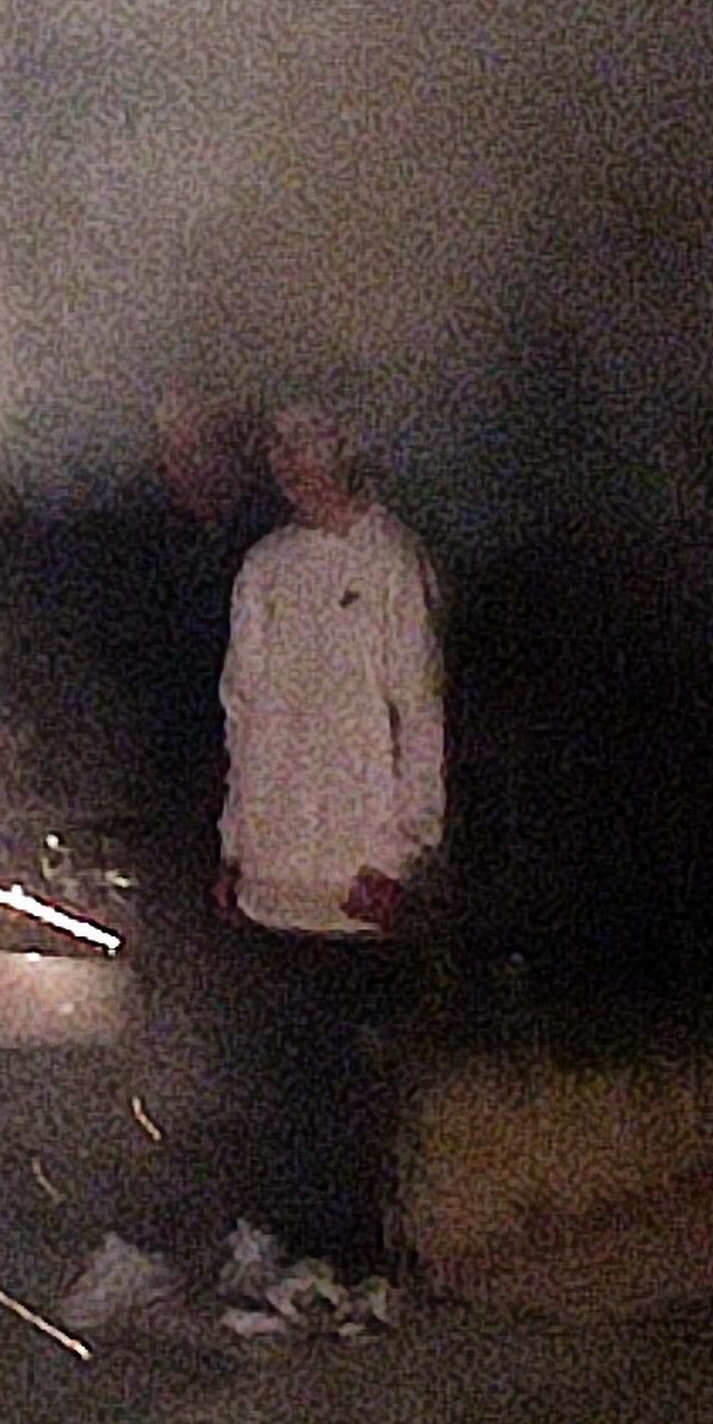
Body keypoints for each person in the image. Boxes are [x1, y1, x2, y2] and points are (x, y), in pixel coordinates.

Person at [212, 401, 445, 1282]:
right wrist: (236, 840)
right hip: (276, 873)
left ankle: (358, 1262)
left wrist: (399, 854)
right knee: (284, 1077)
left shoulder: (391, 562)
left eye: (301, 440)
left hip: (355, 878)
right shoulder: (265, 567)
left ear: (345, 443)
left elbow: (418, 716)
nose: (285, 460)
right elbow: (242, 713)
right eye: (274, 442)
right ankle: (294, 1248)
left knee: (352, 1084)